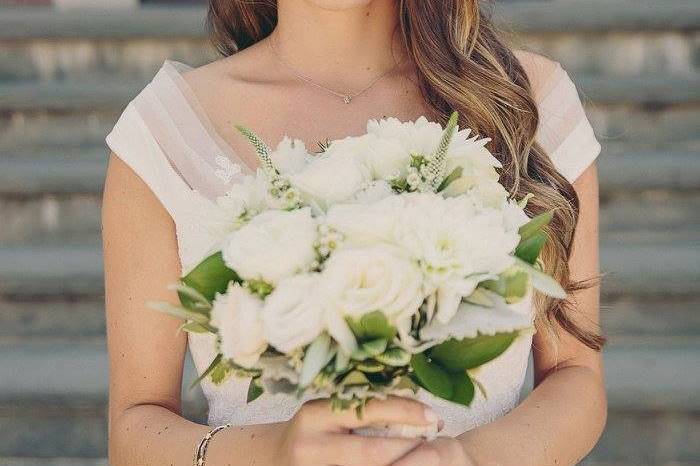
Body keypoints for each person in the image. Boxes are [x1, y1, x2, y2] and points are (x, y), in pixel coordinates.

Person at [102, 1, 606, 465]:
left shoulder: (524, 103)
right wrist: (269, 454)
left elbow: (574, 376)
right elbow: (135, 426)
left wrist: (465, 460)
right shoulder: (167, 132)